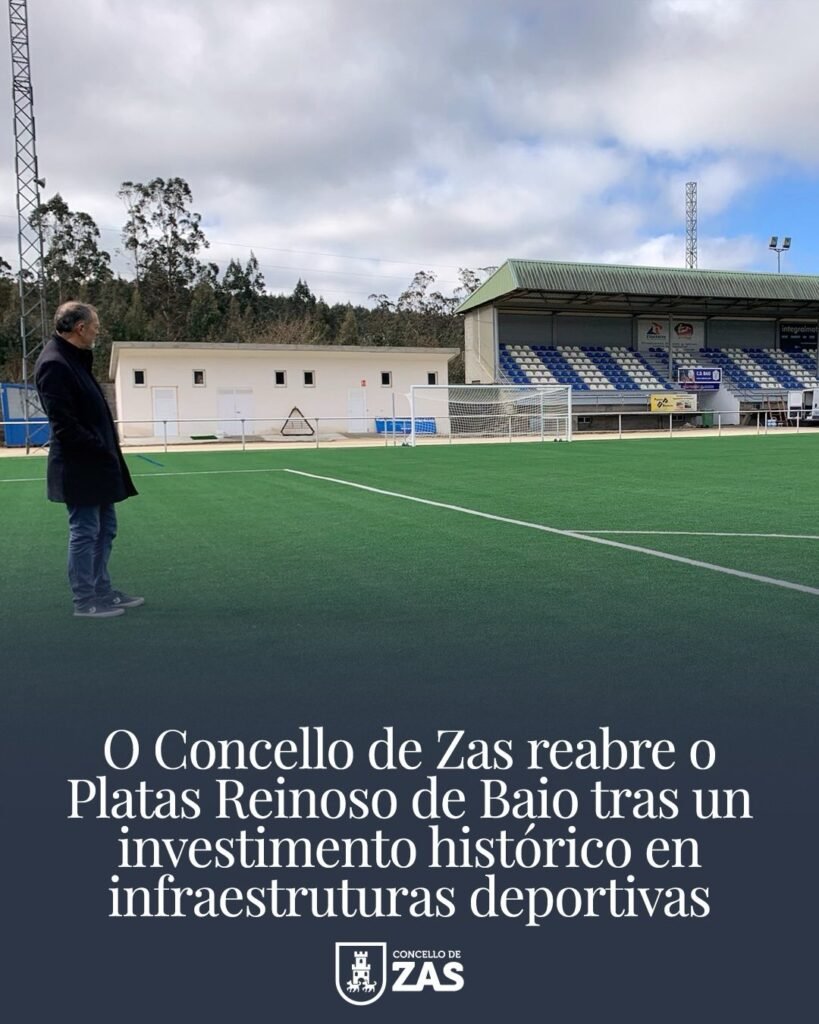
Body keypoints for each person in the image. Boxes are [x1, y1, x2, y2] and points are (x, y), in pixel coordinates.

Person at [35, 302, 142, 618]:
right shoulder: (54, 364)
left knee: (105, 528)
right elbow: (64, 425)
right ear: (80, 328)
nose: (98, 330)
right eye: (95, 325)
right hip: (80, 466)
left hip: (97, 465)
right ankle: (85, 601)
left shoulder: (75, 359)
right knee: (85, 531)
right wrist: (98, 447)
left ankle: (102, 591)